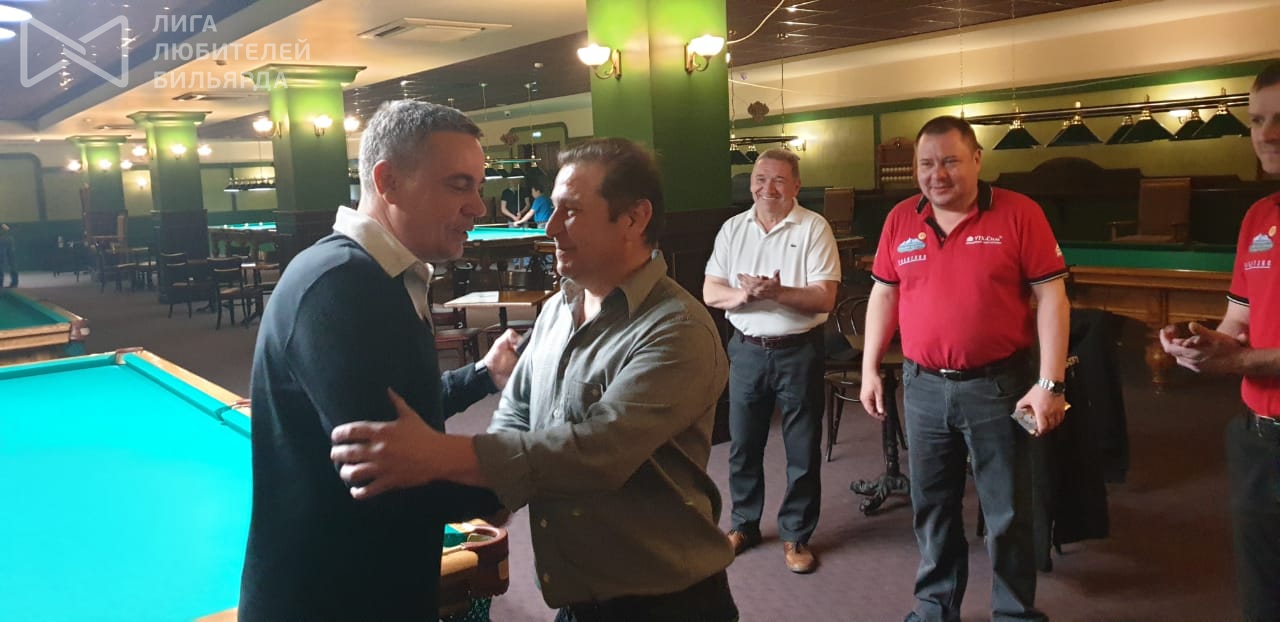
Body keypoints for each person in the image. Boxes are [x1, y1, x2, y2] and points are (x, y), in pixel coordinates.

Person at [328, 137, 739, 621]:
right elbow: (517, 413)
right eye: (554, 209)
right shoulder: (559, 309)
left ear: (633, 218)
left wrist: (438, 455)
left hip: (671, 604)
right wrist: (491, 496)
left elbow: (596, 453)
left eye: (571, 211)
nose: (550, 226)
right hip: (577, 600)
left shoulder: (678, 329)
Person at [238, 100, 521, 621]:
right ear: (388, 182)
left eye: (479, 187)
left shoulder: (377, 274)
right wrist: (517, 477)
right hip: (331, 602)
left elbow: (399, 412)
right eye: (459, 186)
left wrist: (484, 374)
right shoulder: (344, 285)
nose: (478, 207)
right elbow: (386, 472)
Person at [859, 115, 1069, 622]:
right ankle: (935, 608)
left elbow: (1052, 297)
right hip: (923, 387)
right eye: (926, 164)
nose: (938, 175)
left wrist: (1050, 382)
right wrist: (869, 368)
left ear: (977, 159)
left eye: (950, 161)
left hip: (999, 387)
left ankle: (1014, 612)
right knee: (932, 506)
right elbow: (884, 294)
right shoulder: (900, 219)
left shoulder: (1019, 213)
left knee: (1007, 510)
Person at [1159, 62, 1280, 622]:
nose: (1267, 134)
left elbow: (1245, 351)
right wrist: (1202, 343)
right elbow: (1239, 319)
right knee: (1262, 597)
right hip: (1258, 440)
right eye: (1257, 120)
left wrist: (1240, 360)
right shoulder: (1258, 216)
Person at [703, 148, 841, 574]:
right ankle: (744, 524)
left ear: (796, 185)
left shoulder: (814, 227)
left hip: (799, 351)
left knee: (801, 448)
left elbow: (825, 297)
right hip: (745, 350)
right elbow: (710, 291)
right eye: (761, 179)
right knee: (744, 445)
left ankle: (796, 534)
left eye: (779, 180)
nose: (769, 188)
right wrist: (744, 295)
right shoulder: (733, 229)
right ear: (750, 184)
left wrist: (778, 293)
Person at [0, 224, 17, 288]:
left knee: (1, 263)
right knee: (12, 263)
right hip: (8, 240)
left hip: (3, 241)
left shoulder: (3, 226)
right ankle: (14, 282)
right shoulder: (5, 226)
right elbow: (9, 230)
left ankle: (0, 283)